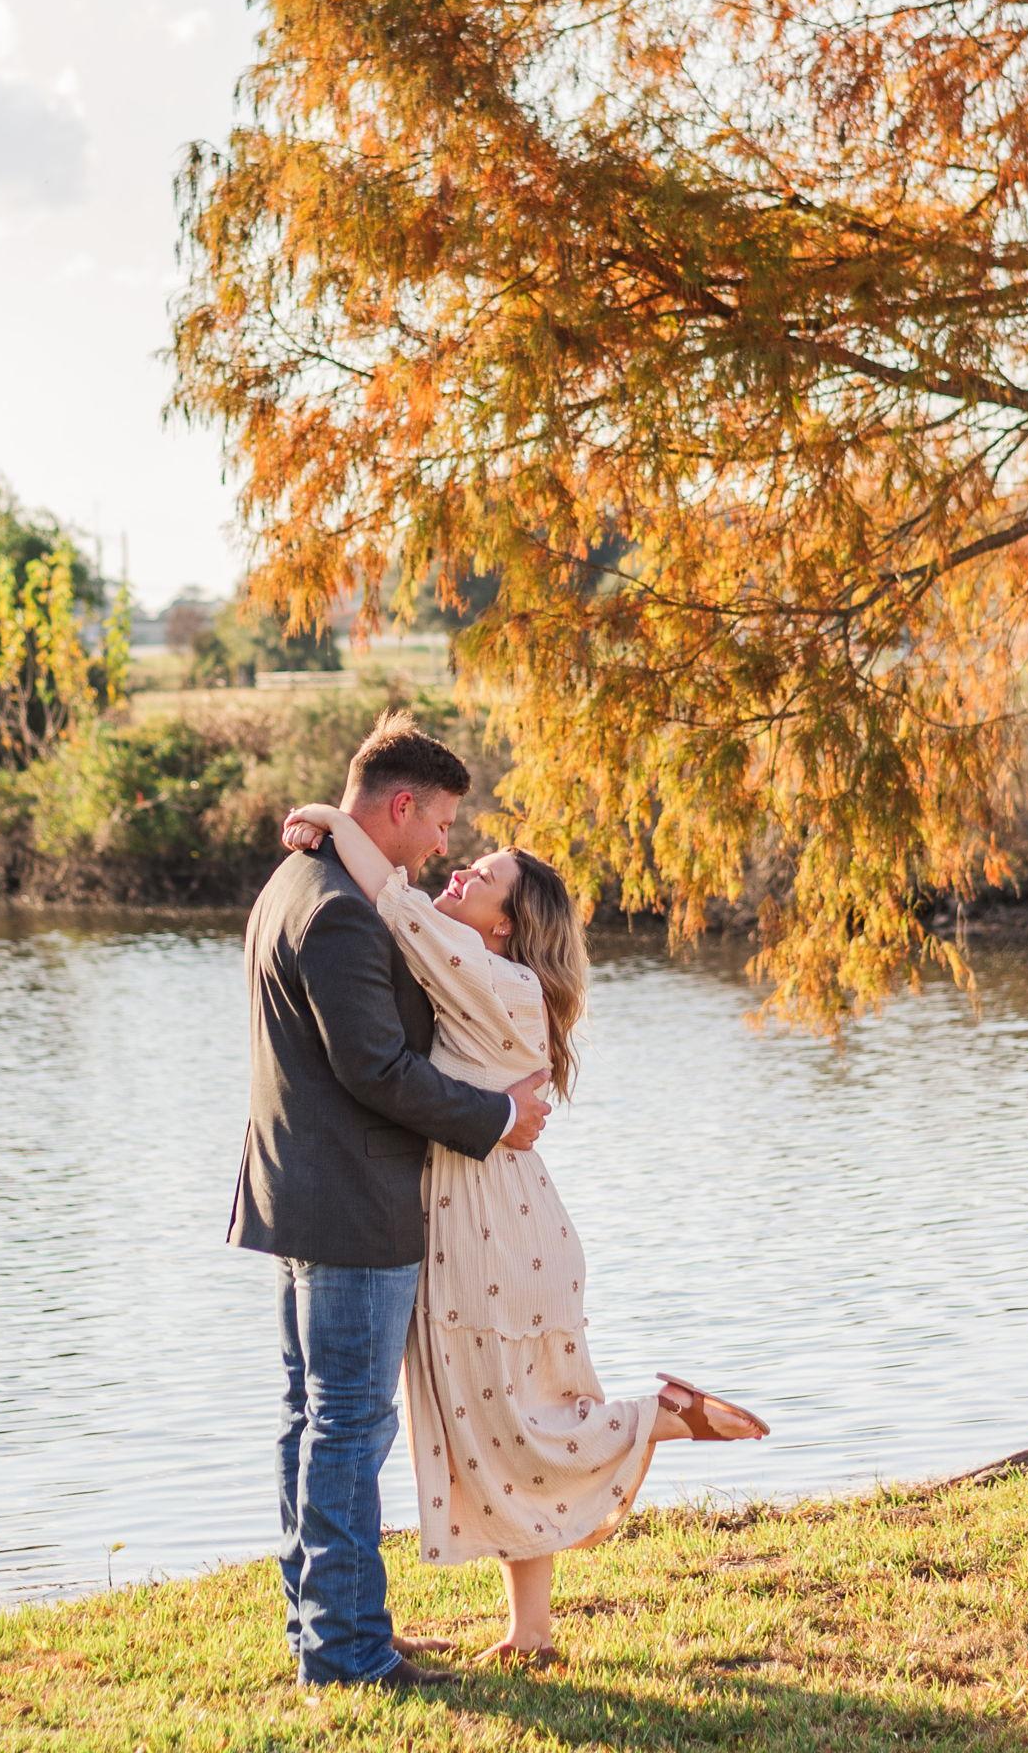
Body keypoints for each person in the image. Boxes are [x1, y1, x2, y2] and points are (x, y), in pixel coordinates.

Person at [280, 798, 769, 1666]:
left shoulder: (485, 972)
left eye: (483, 877)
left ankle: (653, 1417)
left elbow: (393, 901)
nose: (459, 871)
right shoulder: (505, 978)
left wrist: (329, 816)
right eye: (469, 861)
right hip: (514, 1218)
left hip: (481, 1226)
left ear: (504, 926)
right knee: (508, 1418)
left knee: (502, 1423)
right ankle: (532, 1635)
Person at [228, 710, 553, 1694]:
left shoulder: (308, 878)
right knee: (347, 1426)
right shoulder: (336, 909)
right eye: (443, 820)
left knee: (313, 1418)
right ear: (400, 805)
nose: (446, 841)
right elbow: (375, 1068)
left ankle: (327, 1627)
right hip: (352, 1204)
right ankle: (347, 1652)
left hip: (304, 1194)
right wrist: (496, 1116)